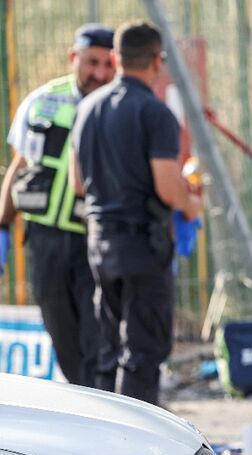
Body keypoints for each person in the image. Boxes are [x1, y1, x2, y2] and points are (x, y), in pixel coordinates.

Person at [70, 20, 202, 405]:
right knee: (142, 353)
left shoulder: (88, 108)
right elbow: (167, 186)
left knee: (108, 351)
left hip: (99, 242)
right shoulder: (155, 112)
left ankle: (98, 442)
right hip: (143, 245)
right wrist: (191, 204)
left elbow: (77, 183)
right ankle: (134, 453)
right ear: (157, 61)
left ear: (116, 58)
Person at [0, 24, 115, 387]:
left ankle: (101, 412)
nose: (99, 73)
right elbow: (20, 165)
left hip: (93, 242)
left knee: (96, 338)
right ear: (73, 58)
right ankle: (84, 408)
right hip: (45, 241)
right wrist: (1, 228)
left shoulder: (119, 107)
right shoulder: (44, 100)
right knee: (62, 335)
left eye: (107, 64)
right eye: (91, 62)